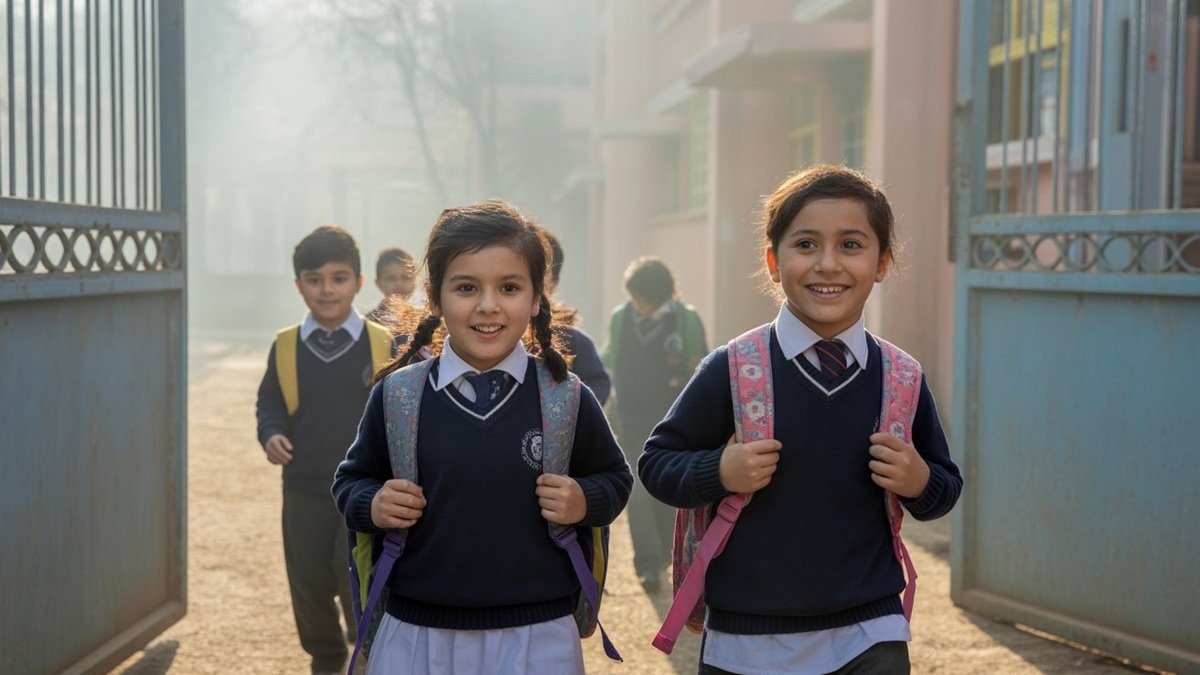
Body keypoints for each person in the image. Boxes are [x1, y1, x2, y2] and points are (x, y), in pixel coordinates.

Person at [638, 164, 963, 674]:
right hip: (748, 635)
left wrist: (919, 479)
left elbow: (943, 488)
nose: (828, 264)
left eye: (851, 245)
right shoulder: (733, 367)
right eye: (806, 244)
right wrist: (719, 472)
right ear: (773, 260)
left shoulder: (901, 377)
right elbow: (657, 464)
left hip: (870, 631)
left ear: (882, 262)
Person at [331, 200, 633, 675]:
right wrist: (373, 503)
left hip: (539, 635)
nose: (488, 305)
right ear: (434, 297)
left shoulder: (565, 398)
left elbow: (615, 479)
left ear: (536, 298)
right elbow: (350, 483)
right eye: (467, 287)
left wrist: (583, 500)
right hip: (415, 633)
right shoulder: (398, 396)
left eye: (509, 287)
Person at [255, 225, 395, 675]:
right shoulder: (285, 346)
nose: (327, 289)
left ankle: (365, 647)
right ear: (299, 286)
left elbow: (400, 408)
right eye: (314, 279)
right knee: (308, 578)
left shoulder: (384, 344)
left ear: (358, 282)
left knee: (352, 568)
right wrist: (270, 432)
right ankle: (325, 654)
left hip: (365, 489)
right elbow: (270, 402)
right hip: (303, 484)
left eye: (338, 278)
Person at [602, 256, 707, 592]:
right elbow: (608, 359)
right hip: (630, 417)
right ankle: (647, 566)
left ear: (661, 296)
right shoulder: (621, 318)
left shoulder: (685, 320)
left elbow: (700, 367)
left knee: (665, 488)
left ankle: (665, 554)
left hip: (673, 420)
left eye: (644, 299)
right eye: (634, 297)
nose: (639, 305)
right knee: (636, 489)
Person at [541, 229, 611, 404]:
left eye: (540, 273)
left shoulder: (574, 342)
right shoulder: (485, 334)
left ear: (554, 283)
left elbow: (598, 386)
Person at [365, 246, 418, 326]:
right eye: (391, 278)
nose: (399, 284)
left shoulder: (422, 321)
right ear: (378, 284)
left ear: (415, 280)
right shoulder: (369, 324)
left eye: (405, 277)